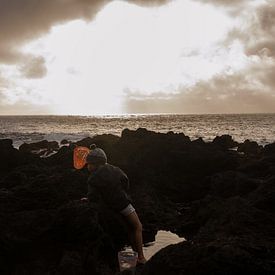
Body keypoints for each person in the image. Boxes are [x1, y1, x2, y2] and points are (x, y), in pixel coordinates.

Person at [85, 144, 146, 264]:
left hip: (108, 207)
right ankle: (141, 257)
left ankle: (131, 256)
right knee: (137, 227)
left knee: (129, 230)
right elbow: (125, 181)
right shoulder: (116, 170)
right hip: (123, 204)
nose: (87, 166)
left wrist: (86, 200)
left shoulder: (92, 179)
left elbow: (92, 196)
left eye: (89, 164)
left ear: (95, 164)